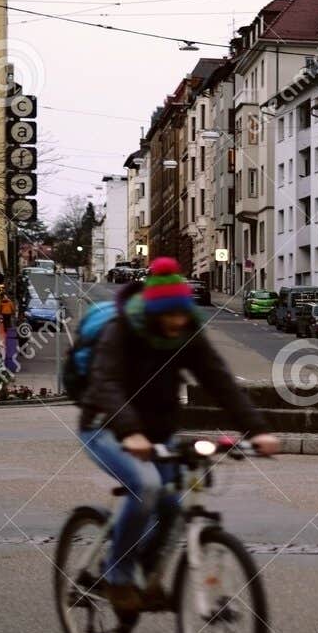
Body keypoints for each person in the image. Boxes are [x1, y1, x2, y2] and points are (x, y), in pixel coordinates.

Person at [78, 258, 279, 612]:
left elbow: (219, 382)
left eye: (180, 314)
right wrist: (131, 432)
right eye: (168, 315)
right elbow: (106, 383)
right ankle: (118, 575)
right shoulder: (122, 329)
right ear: (153, 312)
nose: (175, 322)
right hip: (105, 425)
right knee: (147, 487)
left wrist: (258, 429)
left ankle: (146, 572)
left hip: (158, 433)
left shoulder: (187, 333)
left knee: (172, 508)